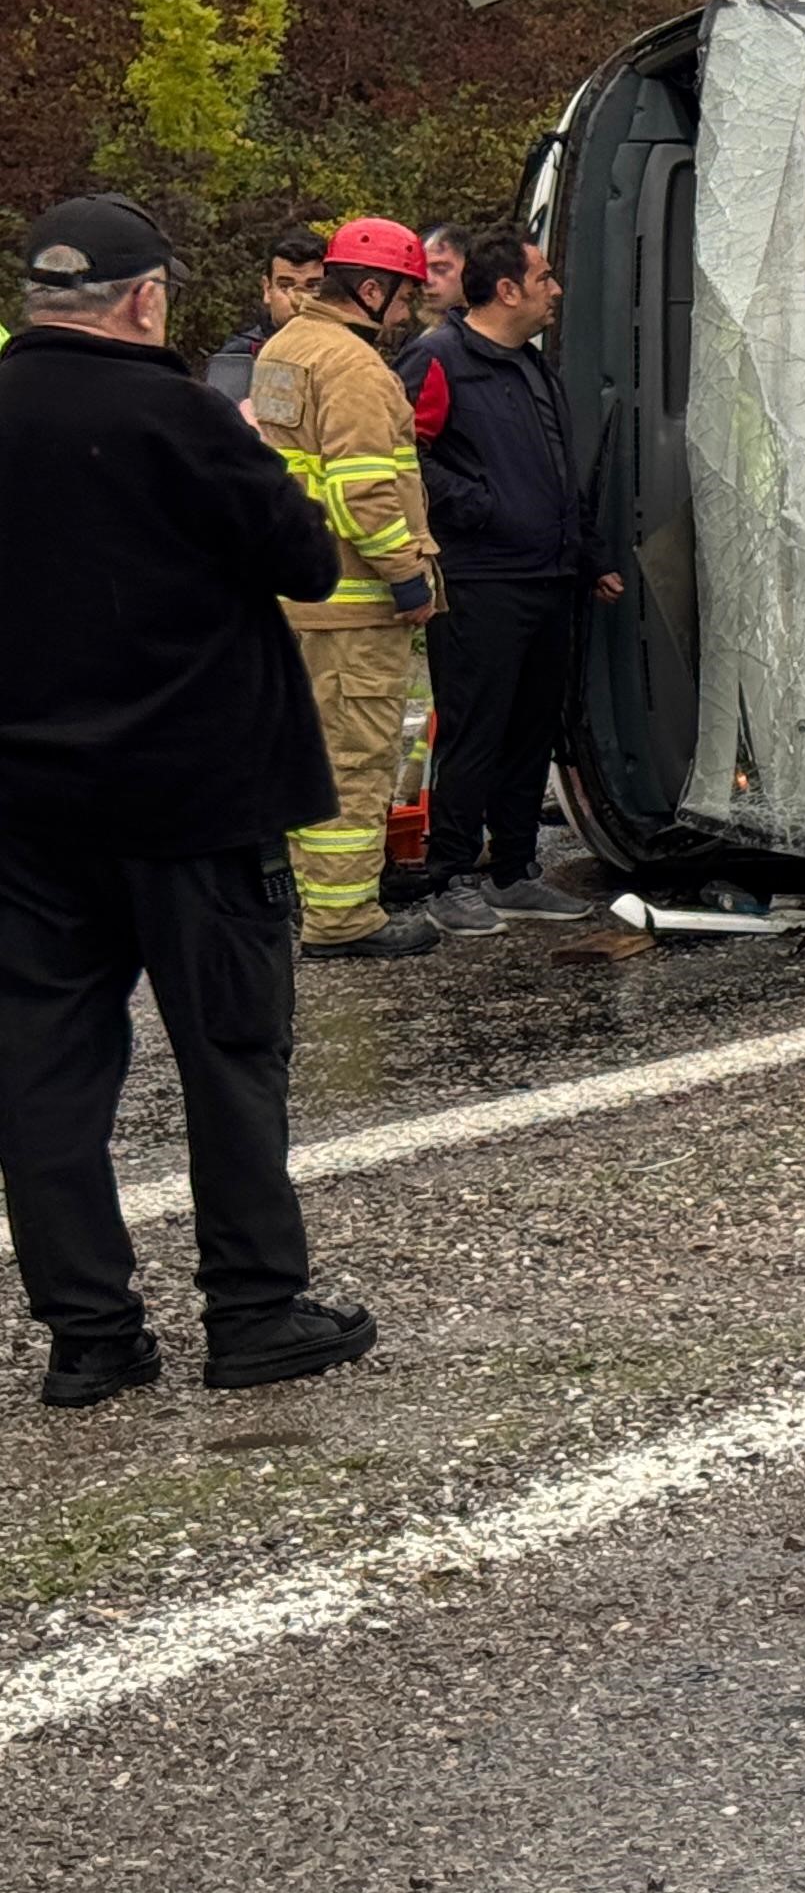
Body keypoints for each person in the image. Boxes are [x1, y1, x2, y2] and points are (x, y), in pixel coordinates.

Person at [0, 195, 376, 1402]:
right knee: (228, 1052)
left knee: (44, 1066)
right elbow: (305, 557)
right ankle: (254, 1309)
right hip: (197, 798)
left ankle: (88, 1336)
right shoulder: (182, 415)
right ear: (146, 298)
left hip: (27, 808)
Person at [395, 232, 621, 930]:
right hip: (479, 580)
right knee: (474, 729)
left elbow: (558, 473)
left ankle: (515, 869)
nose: (556, 290)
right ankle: (449, 877)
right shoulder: (437, 359)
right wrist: (480, 506)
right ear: (507, 290)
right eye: (544, 277)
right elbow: (402, 454)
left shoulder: (533, 367)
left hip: (549, 579)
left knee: (529, 730)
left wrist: (589, 555)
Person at [251, 214, 444, 959]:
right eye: (400, 301)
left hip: (294, 597)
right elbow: (364, 492)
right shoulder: (355, 368)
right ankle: (342, 918)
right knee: (355, 759)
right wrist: (407, 579)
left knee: (301, 753)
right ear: (368, 289)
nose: (403, 318)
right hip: (353, 604)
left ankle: (306, 894)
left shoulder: (283, 349)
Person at [200, 225, 326, 407]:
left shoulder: (348, 355)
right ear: (267, 289)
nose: (298, 298)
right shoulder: (240, 355)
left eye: (313, 286)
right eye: (286, 286)